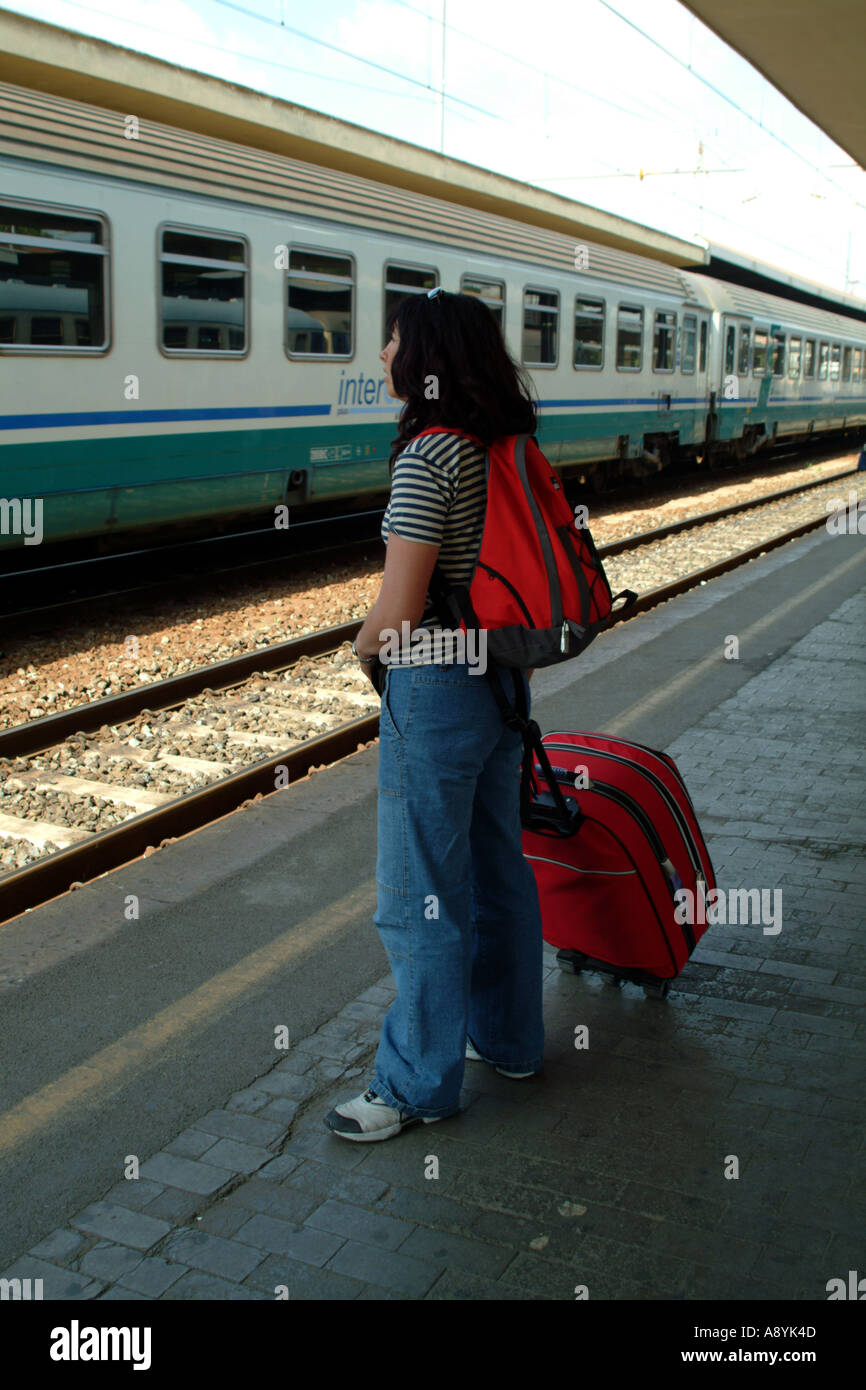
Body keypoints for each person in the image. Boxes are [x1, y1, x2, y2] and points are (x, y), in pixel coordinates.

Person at [324, 287, 545, 1143]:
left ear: (425, 360)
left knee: (417, 893)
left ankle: (415, 1086)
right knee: (497, 869)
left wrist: (361, 648)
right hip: (502, 683)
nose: (382, 356)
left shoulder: (430, 457)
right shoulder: (504, 445)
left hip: (440, 690)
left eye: (391, 342)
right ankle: (512, 1041)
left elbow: (400, 609)